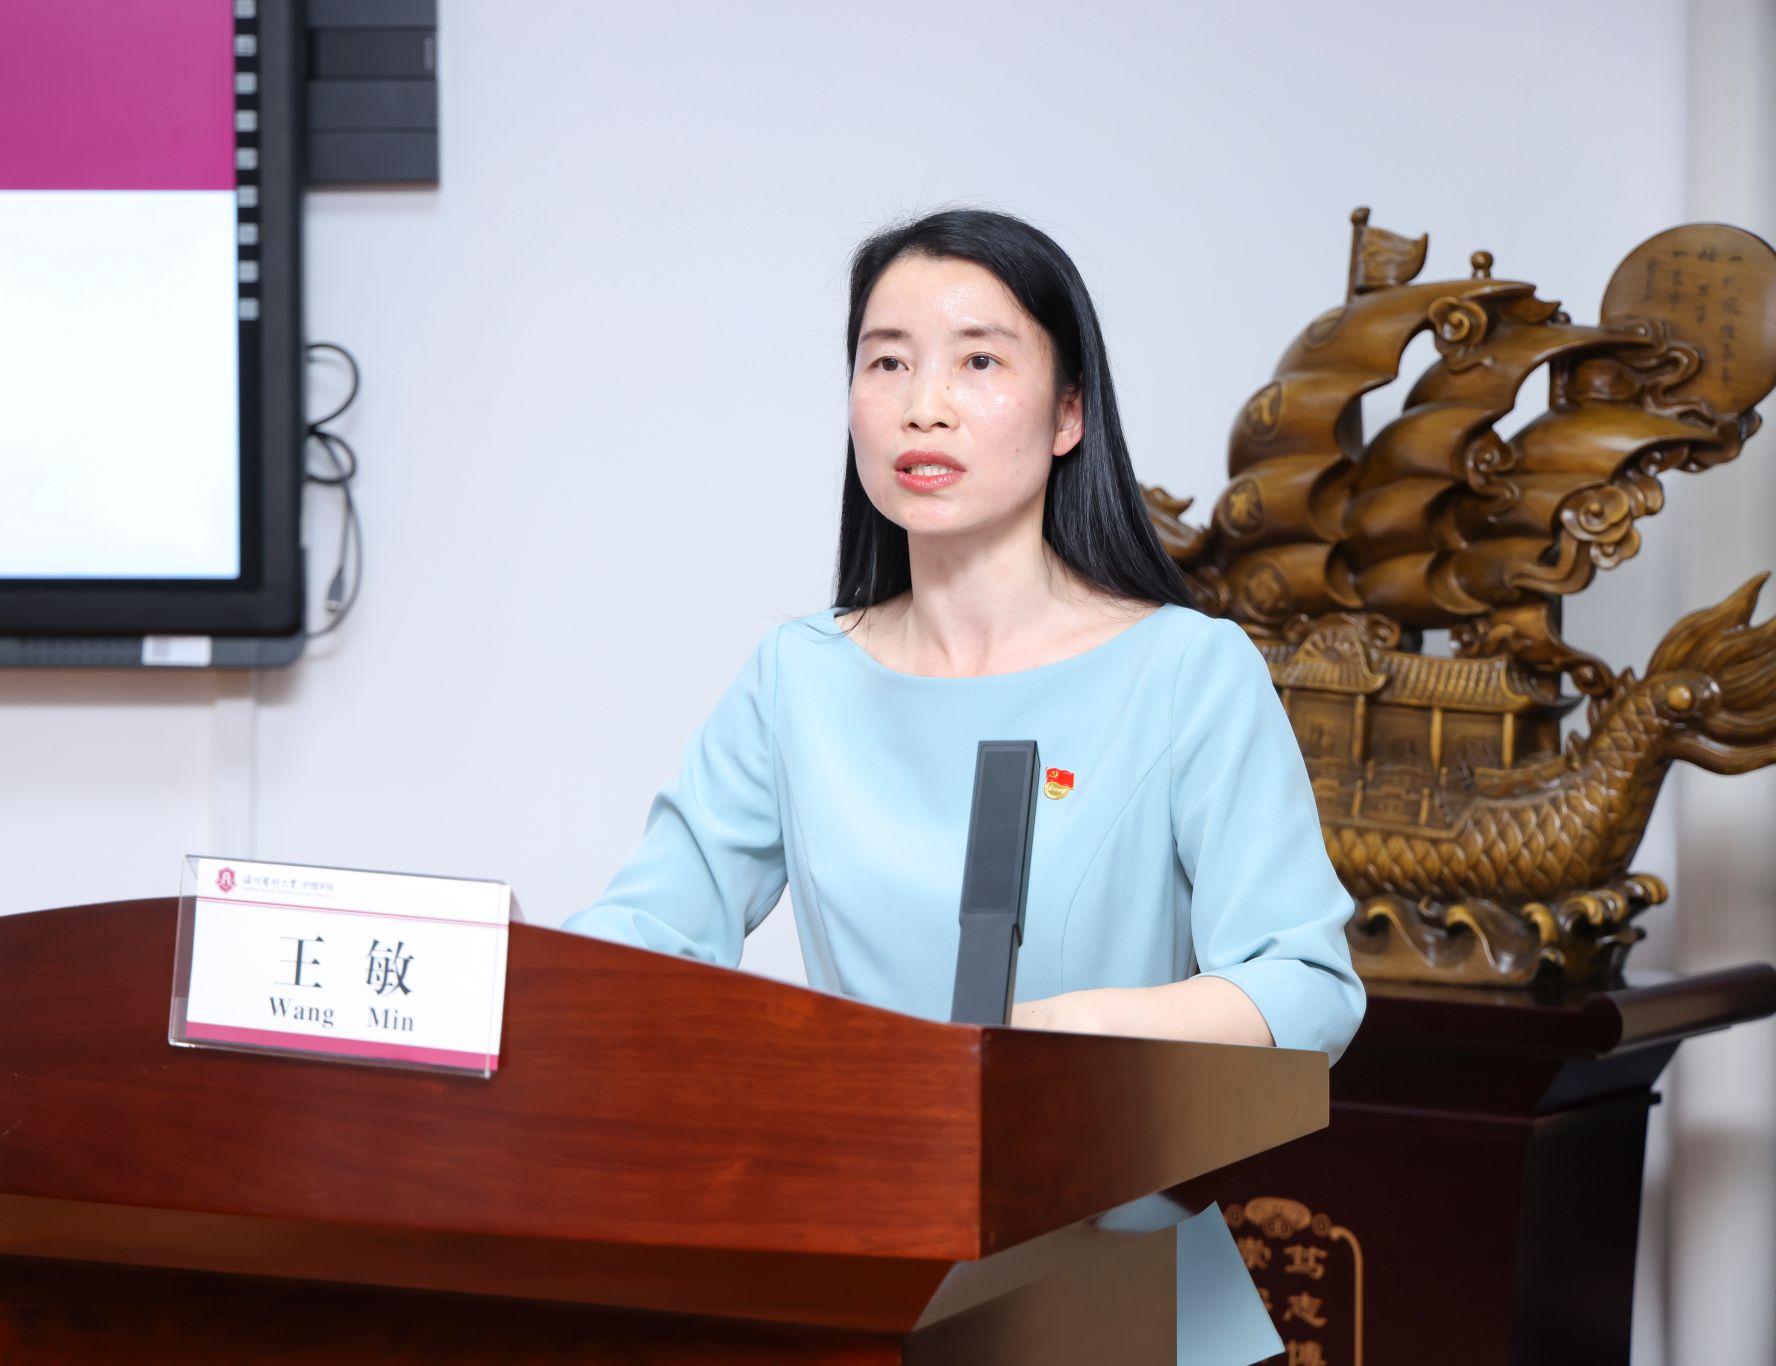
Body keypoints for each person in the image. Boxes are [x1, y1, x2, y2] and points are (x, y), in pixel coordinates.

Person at [562, 208, 1364, 1366]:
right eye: (885, 362)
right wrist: (494, 981)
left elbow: (1306, 985)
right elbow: (645, 935)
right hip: (875, 1275)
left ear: (1067, 413)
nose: (921, 404)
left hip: (1127, 1301)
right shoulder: (796, 677)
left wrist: (1054, 1042)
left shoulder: (1186, 670)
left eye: (978, 361)